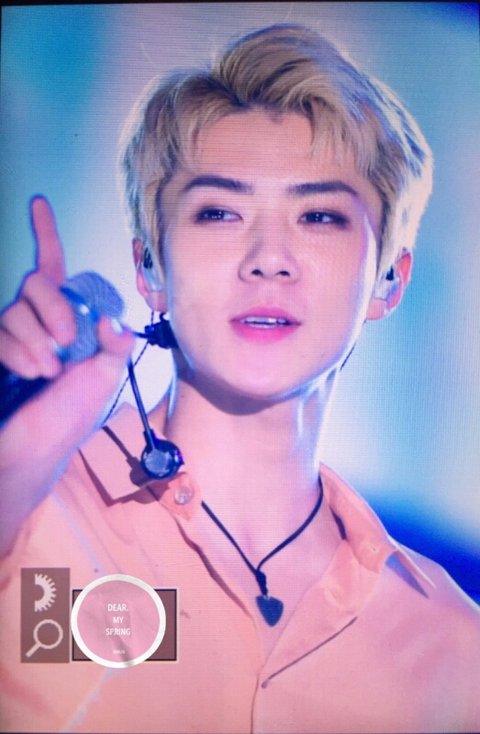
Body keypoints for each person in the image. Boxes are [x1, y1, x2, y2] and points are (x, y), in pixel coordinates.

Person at [0, 23, 479, 734]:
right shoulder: (31, 511)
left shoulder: (454, 647)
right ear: (149, 267)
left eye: (319, 215)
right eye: (219, 212)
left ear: (389, 280)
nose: (268, 257)